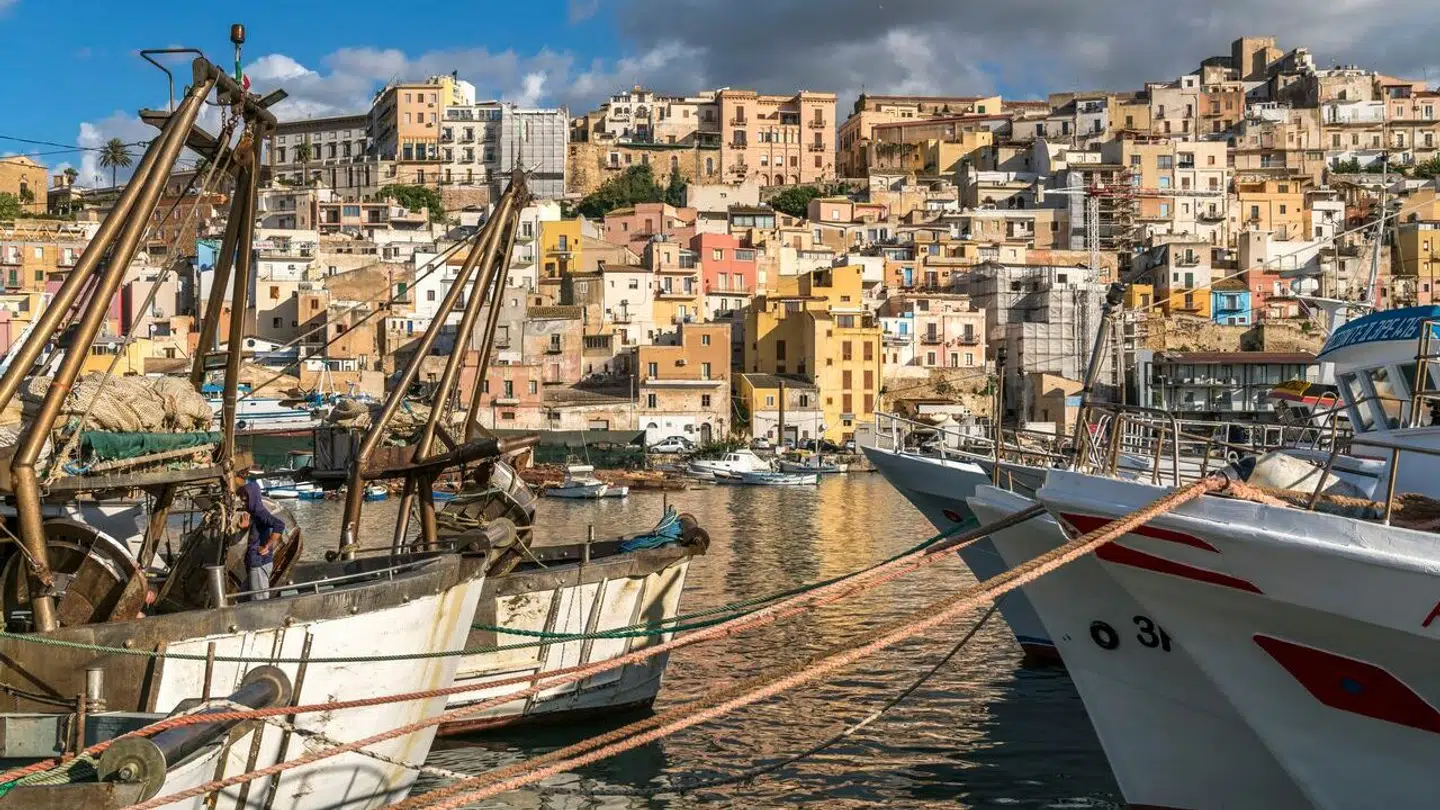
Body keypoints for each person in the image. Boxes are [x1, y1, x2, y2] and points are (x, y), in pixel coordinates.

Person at [235, 470, 285, 601]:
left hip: (259, 563)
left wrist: (267, 546)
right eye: (242, 500)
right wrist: (245, 528)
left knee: (259, 599)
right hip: (253, 562)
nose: (243, 503)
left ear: (253, 498)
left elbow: (279, 525)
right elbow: (257, 531)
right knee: (242, 598)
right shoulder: (253, 514)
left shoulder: (260, 512)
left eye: (245, 500)